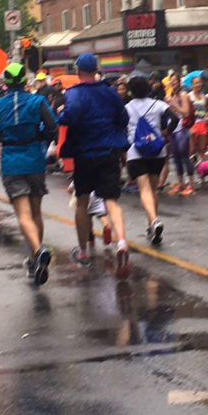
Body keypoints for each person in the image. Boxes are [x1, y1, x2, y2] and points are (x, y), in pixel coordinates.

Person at [59, 53, 131, 277]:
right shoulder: (110, 92)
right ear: (96, 70)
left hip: (85, 153)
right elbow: (124, 118)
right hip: (109, 151)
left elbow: (68, 118)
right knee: (112, 201)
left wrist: (61, 113)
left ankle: (82, 251)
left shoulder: (74, 94)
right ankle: (121, 242)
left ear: (78, 71)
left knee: (82, 201)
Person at [0, 63, 57, 286]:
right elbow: (52, 128)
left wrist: (4, 134)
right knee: (36, 213)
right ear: (25, 82)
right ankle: (35, 257)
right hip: (35, 160)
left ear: (6, 83)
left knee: (23, 215)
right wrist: (39, 134)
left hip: (12, 161)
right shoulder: (38, 101)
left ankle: (37, 251)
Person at [125, 76, 177, 245]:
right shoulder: (158, 104)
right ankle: (151, 226)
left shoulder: (126, 108)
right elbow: (175, 119)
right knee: (153, 190)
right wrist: (166, 133)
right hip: (157, 151)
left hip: (136, 152)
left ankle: (154, 220)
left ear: (131, 91)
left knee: (144, 190)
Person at [165, 73, 195, 196]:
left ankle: (191, 185)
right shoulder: (169, 95)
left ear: (179, 82)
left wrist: (174, 103)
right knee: (176, 158)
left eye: (175, 81)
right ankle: (181, 183)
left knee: (185, 157)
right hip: (173, 130)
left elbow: (186, 113)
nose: (173, 83)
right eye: (170, 81)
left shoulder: (183, 95)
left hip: (182, 130)